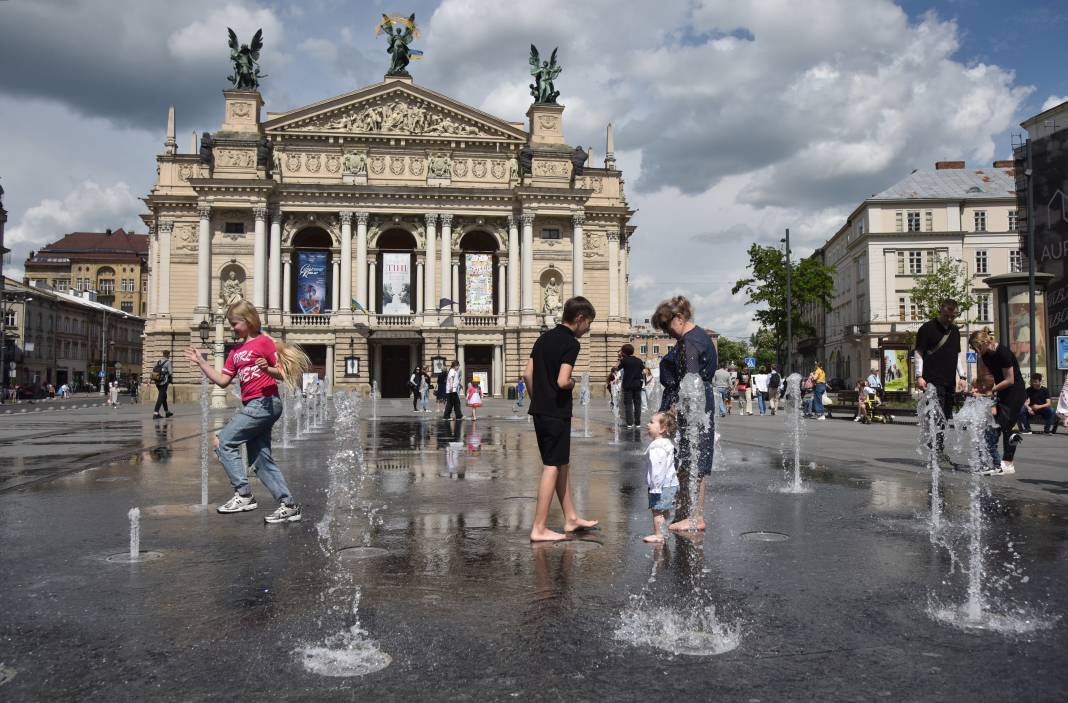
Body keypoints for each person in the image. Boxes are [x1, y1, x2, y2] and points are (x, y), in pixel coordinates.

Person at [184, 300, 310, 523]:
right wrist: (202, 363)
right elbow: (222, 381)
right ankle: (289, 505)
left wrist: (267, 369)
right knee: (260, 460)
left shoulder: (263, 342)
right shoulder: (235, 352)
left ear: (249, 321)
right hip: (253, 405)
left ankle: (243, 494)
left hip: (265, 402)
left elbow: (283, 373)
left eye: (235, 323)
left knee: (223, 442)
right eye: (231, 324)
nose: (232, 328)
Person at [525, 296, 599, 542]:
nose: (588, 329)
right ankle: (539, 527)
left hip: (541, 410)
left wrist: (539, 399)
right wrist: (573, 383)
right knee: (552, 466)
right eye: (588, 323)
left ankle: (570, 517)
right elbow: (562, 380)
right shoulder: (571, 343)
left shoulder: (543, 337)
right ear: (579, 319)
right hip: (556, 412)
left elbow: (527, 374)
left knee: (561, 463)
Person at [653, 295, 717, 532]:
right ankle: (687, 511)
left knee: (695, 458)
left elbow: (690, 380)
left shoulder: (691, 342)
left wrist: (673, 409)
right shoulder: (696, 337)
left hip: (693, 405)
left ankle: (695, 517)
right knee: (689, 457)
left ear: (679, 318)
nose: (666, 332)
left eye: (666, 326)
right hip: (698, 402)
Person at [969, 328, 1026, 476]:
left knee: (1002, 424)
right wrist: (979, 388)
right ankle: (1000, 462)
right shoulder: (986, 355)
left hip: (1015, 391)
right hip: (1002, 391)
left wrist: (992, 391)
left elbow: (1010, 379)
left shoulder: (1003, 352)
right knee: (1002, 425)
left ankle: (1005, 463)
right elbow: (989, 376)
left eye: (976, 348)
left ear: (983, 343)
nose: (975, 351)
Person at [915, 299, 966, 457]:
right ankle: (936, 449)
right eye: (946, 316)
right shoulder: (927, 329)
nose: (949, 319)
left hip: (949, 380)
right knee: (936, 416)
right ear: (940, 311)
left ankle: (938, 447)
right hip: (932, 380)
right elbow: (919, 353)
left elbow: (956, 355)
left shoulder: (955, 331)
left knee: (945, 416)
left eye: (953, 316)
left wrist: (962, 376)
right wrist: (919, 376)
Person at [642, 410, 680, 543]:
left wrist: (655, 487)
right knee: (665, 510)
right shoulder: (667, 443)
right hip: (671, 484)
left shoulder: (656, 446)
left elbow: (658, 469)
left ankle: (659, 535)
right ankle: (665, 530)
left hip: (661, 485)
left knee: (657, 510)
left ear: (662, 429)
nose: (648, 424)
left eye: (652, 422)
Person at [971, 375, 1002, 474]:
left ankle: (997, 466)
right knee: (986, 445)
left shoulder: (991, 397)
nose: (976, 389)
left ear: (983, 386)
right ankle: (989, 465)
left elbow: (993, 412)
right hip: (990, 427)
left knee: (990, 446)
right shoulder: (988, 396)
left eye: (977, 386)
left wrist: (983, 407)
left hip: (992, 427)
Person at [617, 343, 646, 428]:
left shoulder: (624, 361)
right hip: (638, 385)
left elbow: (616, 368)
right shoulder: (639, 360)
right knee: (637, 404)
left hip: (628, 385)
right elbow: (644, 370)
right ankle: (638, 423)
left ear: (624, 352)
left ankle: (629, 423)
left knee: (628, 404)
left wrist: (620, 359)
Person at [151, 350, 173, 419]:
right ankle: (156, 413)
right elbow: (170, 373)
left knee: (164, 396)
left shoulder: (157, 361)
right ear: (168, 355)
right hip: (164, 382)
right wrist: (170, 381)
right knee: (161, 397)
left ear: (163, 354)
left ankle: (167, 412)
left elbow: (153, 370)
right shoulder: (168, 362)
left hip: (157, 382)